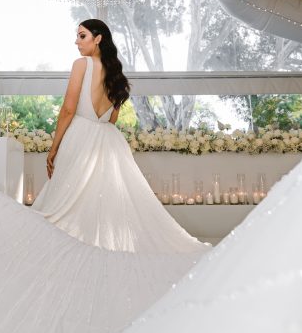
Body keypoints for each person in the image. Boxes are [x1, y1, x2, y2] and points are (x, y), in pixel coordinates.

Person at [31, 18, 207, 254]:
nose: (76, 41)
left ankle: (75, 249)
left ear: (98, 38)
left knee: (69, 196)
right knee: (105, 198)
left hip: (81, 135)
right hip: (108, 140)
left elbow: (68, 109)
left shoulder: (82, 64)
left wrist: (53, 149)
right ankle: (99, 247)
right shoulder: (116, 75)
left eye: (82, 36)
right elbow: (111, 120)